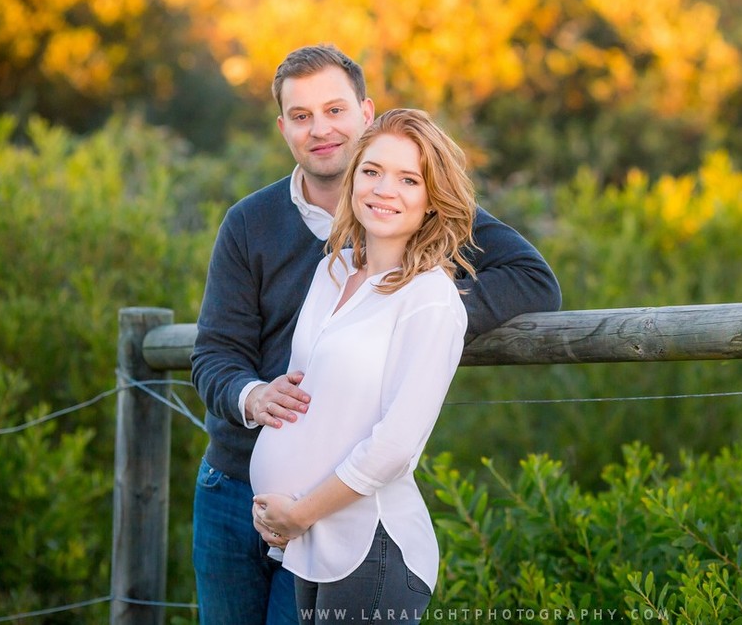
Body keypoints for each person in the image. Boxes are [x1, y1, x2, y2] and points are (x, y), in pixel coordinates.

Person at [190, 43, 561, 625]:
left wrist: (401, 307)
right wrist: (251, 395)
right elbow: (215, 352)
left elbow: (531, 280)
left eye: (335, 110)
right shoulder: (263, 229)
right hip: (232, 488)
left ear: (365, 115)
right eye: (301, 115)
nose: (321, 130)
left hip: (334, 507)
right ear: (282, 126)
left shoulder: (411, 206)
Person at [250, 108, 475, 624]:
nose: (383, 190)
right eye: (372, 171)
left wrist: (298, 514)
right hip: (311, 544)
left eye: (408, 178)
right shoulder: (334, 270)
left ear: (432, 198)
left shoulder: (430, 298)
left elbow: (395, 448)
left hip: (370, 547)